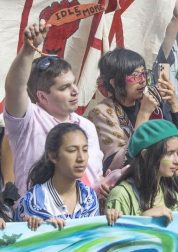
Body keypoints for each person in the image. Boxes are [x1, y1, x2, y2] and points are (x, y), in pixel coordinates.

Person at [3, 21, 103, 195]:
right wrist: (28, 50)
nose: (74, 91)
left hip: (87, 217)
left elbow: (95, 179)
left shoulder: (87, 126)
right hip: (38, 220)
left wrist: (106, 184)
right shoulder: (28, 120)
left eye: (73, 83)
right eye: (64, 87)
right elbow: (14, 88)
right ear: (42, 96)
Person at [88, 49, 178, 172]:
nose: (142, 80)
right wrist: (144, 113)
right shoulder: (102, 112)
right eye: (134, 76)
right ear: (114, 83)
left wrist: (174, 104)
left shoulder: (153, 102)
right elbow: (122, 163)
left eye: (144, 74)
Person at [15, 124, 120, 229]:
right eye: (72, 150)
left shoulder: (89, 196)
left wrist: (109, 220)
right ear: (52, 156)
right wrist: (46, 230)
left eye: (85, 150)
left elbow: (93, 238)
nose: (81, 158)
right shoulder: (33, 201)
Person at [106, 119, 178, 221]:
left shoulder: (170, 194)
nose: (177, 161)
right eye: (169, 153)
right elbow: (116, 235)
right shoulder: (121, 195)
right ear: (145, 155)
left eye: (177, 152)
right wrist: (144, 219)